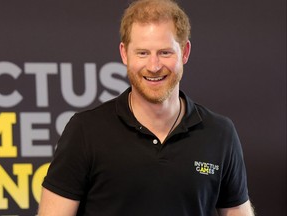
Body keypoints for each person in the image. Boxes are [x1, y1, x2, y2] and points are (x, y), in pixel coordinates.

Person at [38, 0, 255, 215]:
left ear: (185, 52)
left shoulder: (219, 133)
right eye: (142, 53)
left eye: (165, 53)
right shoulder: (85, 131)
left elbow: (237, 211)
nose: (154, 66)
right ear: (124, 54)